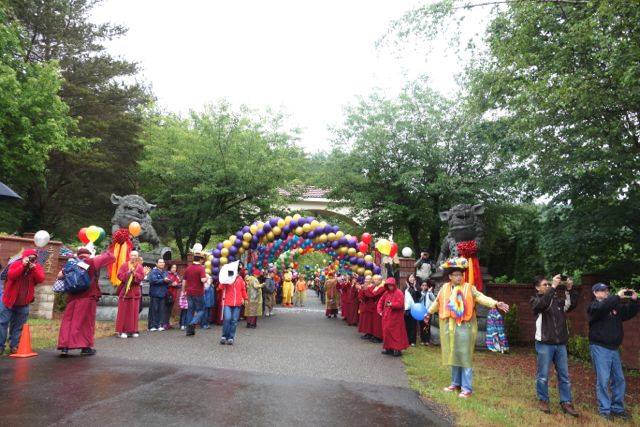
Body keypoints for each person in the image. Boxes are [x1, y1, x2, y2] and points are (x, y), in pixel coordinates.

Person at [428, 258, 509, 398]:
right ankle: (455, 383)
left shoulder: (469, 288)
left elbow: (481, 297)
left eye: (461, 275)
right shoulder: (444, 288)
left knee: (465, 356)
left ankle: (467, 388)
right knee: (454, 354)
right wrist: (428, 313)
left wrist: (495, 303)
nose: (459, 277)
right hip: (449, 326)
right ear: (450, 276)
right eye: (456, 275)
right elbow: (437, 302)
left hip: (465, 326)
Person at [588, 283, 639, 421]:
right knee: (603, 380)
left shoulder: (614, 306)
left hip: (614, 349)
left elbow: (628, 313)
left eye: (607, 290)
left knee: (619, 379)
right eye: (603, 290)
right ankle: (605, 410)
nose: (606, 292)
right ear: (595, 293)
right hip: (600, 348)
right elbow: (603, 307)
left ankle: (617, 409)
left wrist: (634, 301)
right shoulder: (593, 306)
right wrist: (617, 297)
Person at [530, 274, 579, 416]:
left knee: (564, 376)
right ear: (537, 287)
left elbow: (571, 305)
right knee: (543, 375)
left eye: (548, 284)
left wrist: (569, 289)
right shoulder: (535, 300)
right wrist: (553, 287)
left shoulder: (557, 301)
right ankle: (543, 400)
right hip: (545, 343)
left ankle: (566, 402)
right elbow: (543, 305)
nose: (547, 286)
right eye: (544, 284)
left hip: (561, 344)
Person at [57, 247, 115, 356]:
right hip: (87, 297)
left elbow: (59, 276)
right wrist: (107, 250)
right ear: (88, 254)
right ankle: (85, 347)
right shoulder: (91, 261)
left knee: (68, 321)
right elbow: (111, 257)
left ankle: (64, 347)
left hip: (72, 298)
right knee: (86, 323)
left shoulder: (71, 264)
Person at [0, 249, 45, 355]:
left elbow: (41, 279)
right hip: (9, 301)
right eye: (30, 257)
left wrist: (33, 269)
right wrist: (23, 266)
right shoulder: (16, 263)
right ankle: (0, 346)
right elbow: (11, 275)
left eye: (34, 258)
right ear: (24, 257)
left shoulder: (36, 267)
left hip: (23, 303)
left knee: (18, 325)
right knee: (2, 323)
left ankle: (14, 346)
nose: (32, 260)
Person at [116, 251, 146, 338]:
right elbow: (119, 275)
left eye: (135, 255)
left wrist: (134, 274)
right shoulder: (125, 265)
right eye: (132, 255)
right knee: (123, 312)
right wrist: (128, 272)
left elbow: (141, 277)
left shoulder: (139, 266)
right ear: (129, 256)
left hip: (135, 292)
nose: (133, 257)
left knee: (134, 312)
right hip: (125, 292)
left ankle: (132, 330)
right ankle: (122, 331)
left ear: (138, 257)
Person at [377, 277, 409, 357]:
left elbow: (400, 304)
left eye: (391, 285)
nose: (389, 287)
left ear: (394, 285)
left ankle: (397, 349)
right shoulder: (386, 293)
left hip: (396, 318)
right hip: (386, 317)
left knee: (396, 334)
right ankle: (388, 348)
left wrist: (392, 304)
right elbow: (380, 301)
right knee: (386, 333)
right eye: (388, 285)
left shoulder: (399, 293)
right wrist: (380, 310)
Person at [182, 253, 208, 336]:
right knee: (201, 310)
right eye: (202, 259)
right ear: (200, 260)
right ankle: (193, 322)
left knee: (190, 311)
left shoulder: (188, 268)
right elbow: (203, 280)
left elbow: (184, 281)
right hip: (198, 292)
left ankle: (189, 331)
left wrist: (183, 291)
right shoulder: (201, 268)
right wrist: (207, 278)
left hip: (189, 292)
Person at [218, 272, 248, 345]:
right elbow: (220, 287)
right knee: (227, 318)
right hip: (227, 302)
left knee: (234, 320)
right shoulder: (227, 278)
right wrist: (224, 280)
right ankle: (224, 336)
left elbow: (243, 289)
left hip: (237, 303)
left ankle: (231, 337)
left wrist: (245, 298)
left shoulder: (240, 279)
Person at [147, 259, 170, 332]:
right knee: (154, 310)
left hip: (163, 294)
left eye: (163, 262)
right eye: (160, 262)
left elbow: (169, 281)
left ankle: (160, 325)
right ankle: (152, 326)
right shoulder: (153, 272)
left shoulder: (165, 272)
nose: (162, 263)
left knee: (161, 310)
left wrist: (168, 281)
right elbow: (153, 280)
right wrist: (163, 280)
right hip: (155, 293)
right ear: (156, 264)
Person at [404, 273, 421, 346]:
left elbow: (419, 296)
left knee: (413, 325)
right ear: (408, 278)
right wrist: (408, 288)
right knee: (407, 324)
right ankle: (407, 340)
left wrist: (414, 287)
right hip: (407, 309)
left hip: (415, 308)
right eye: (410, 277)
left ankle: (413, 341)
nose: (412, 278)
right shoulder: (405, 287)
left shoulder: (417, 287)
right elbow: (403, 296)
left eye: (413, 277)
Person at [418, 280, 436, 346]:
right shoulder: (419, 293)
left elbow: (434, 299)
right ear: (421, 286)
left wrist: (430, 292)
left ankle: (427, 340)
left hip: (428, 312)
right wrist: (422, 294)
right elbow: (418, 300)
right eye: (423, 285)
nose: (424, 286)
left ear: (427, 286)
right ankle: (422, 340)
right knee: (421, 325)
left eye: (425, 285)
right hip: (421, 311)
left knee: (427, 326)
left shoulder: (429, 293)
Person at [164, 264, 181, 329]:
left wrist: (176, 284)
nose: (174, 269)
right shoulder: (166, 274)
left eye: (175, 268)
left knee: (170, 310)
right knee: (165, 309)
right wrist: (171, 284)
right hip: (167, 294)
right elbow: (164, 283)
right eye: (173, 267)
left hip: (174, 295)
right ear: (169, 268)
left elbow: (180, 284)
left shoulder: (176, 275)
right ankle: (164, 324)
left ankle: (167, 323)